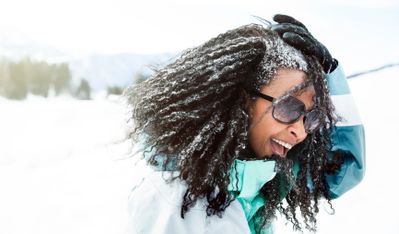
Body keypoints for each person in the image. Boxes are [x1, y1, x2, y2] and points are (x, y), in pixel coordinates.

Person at [123, 14, 365, 234]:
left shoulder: (253, 181)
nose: (300, 131)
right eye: (289, 107)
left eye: (311, 117)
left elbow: (340, 171)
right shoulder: (180, 205)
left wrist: (330, 74)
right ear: (239, 100)